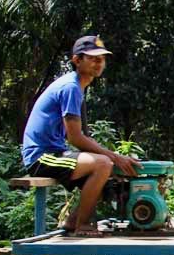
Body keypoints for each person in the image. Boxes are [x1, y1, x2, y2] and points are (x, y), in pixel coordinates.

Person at [21, 35, 138, 235]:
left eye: (101, 58)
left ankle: (72, 222)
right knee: (103, 164)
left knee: (105, 178)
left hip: (56, 152)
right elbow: (75, 139)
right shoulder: (70, 88)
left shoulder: (78, 88)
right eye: (92, 58)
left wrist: (113, 157)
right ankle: (82, 226)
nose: (98, 62)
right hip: (41, 157)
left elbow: (84, 136)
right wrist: (114, 157)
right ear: (77, 60)